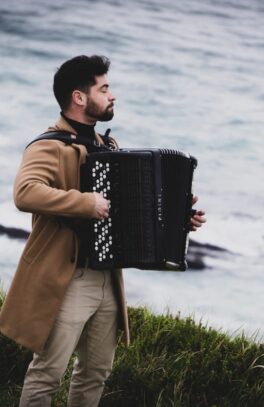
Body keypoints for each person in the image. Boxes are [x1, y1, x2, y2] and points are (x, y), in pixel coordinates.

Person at [0, 55, 206, 406]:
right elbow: (25, 192)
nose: (113, 95)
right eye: (105, 88)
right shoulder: (48, 145)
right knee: (48, 372)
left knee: (95, 372)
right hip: (69, 277)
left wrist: (177, 220)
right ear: (79, 97)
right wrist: (85, 202)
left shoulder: (108, 147)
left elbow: (129, 211)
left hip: (109, 279)